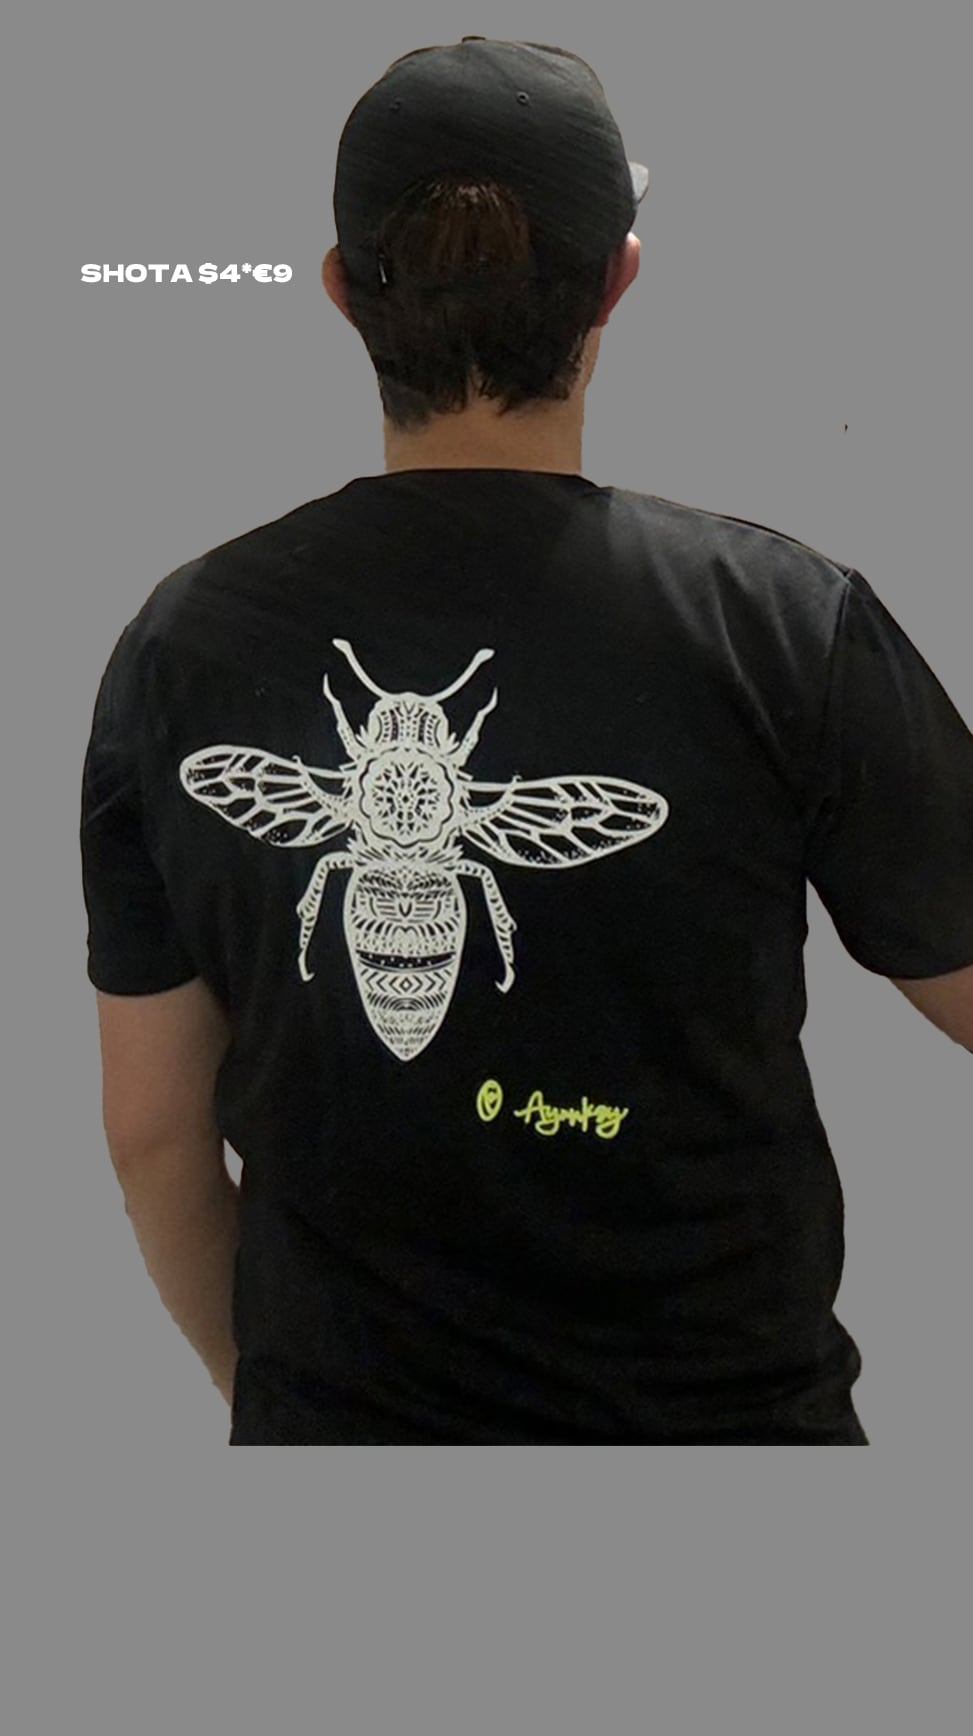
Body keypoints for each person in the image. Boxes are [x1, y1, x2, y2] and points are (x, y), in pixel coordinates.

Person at [80, 38, 973, 1445]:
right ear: (616, 279)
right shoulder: (781, 623)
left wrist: (270, 1396)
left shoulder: (176, 645)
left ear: (342, 290)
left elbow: (151, 1133)